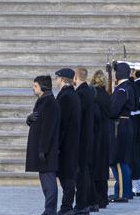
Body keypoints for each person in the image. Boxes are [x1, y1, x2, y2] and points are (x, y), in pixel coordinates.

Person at [25, 74, 60, 215]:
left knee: (49, 182)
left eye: (35, 86)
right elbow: (38, 122)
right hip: (43, 149)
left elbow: (49, 128)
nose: (33, 89)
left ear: (43, 87)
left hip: (47, 150)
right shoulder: (42, 101)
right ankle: (49, 209)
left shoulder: (49, 103)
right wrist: (29, 120)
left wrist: (43, 150)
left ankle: (50, 210)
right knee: (45, 182)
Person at [53, 68, 80, 215]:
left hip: (67, 143)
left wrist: (56, 143)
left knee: (66, 175)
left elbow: (62, 122)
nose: (56, 81)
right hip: (70, 141)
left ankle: (67, 206)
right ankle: (67, 205)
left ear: (62, 79)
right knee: (66, 174)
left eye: (57, 78)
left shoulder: (66, 97)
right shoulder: (69, 94)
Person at [109, 61, 134, 202]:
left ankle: (122, 193)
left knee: (118, 161)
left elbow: (113, 110)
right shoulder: (126, 87)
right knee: (122, 161)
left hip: (120, 125)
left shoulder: (121, 89)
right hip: (125, 124)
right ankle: (123, 191)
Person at [73, 67, 97, 215]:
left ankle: (82, 204)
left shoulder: (81, 93)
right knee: (87, 171)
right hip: (88, 136)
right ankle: (92, 201)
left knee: (81, 173)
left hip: (82, 138)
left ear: (76, 77)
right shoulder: (87, 91)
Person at [90, 70, 111, 209]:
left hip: (96, 132)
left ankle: (96, 198)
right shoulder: (107, 95)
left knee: (95, 166)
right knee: (103, 166)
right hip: (107, 132)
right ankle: (103, 198)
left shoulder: (94, 95)